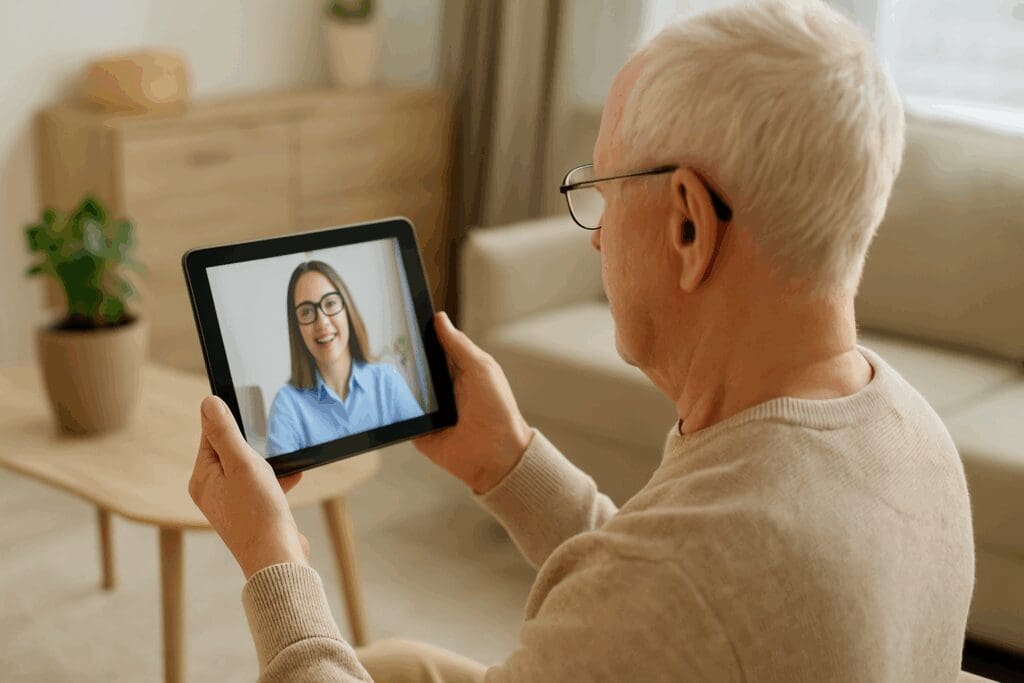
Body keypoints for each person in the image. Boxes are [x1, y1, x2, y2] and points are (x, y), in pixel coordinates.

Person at [189, 1, 974, 680]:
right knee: (391, 663)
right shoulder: (909, 429)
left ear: (689, 223)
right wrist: (510, 462)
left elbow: (669, 592)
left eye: (600, 190)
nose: (595, 242)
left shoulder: (677, 586)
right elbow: (672, 584)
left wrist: (274, 559)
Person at [264, 260, 424, 456]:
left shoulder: (387, 380)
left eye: (330, 303)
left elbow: (423, 454)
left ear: (347, 310)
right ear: (297, 330)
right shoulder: (286, 405)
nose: (322, 322)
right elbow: (277, 486)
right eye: (306, 311)